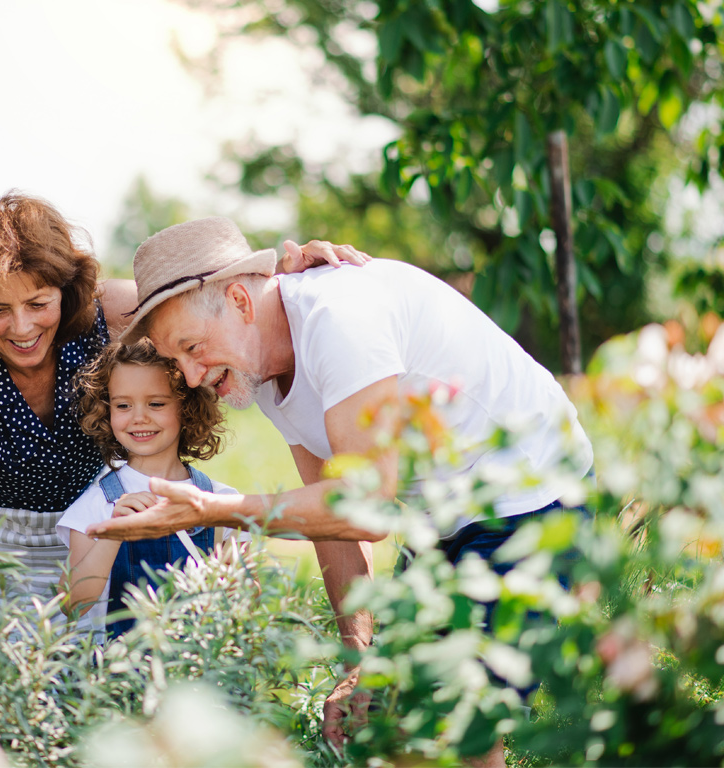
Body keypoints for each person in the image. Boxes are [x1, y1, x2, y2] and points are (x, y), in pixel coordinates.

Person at [86, 216, 595, 765]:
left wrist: (215, 510)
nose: (187, 375)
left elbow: (366, 505)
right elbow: (329, 516)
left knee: (456, 718)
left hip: (534, 492)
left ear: (240, 299)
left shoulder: (339, 321)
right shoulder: (259, 363)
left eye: (191, 347)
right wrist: (359, 662)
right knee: (389, 715)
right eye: (175, 359)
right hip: (446, 513)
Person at [0, 192, 366, 607]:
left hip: (87, 533)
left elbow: (204, 305)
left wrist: (281, 285)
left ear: (65, 291)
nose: (22, 328)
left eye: (38, 304)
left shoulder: (110, 313)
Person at [56, 339, 244, 640]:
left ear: (187, 407)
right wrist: (113, 534)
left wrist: (234, 581)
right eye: (123, 405)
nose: (139, 417)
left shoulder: (220, 502)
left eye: (156, 403)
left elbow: (247, 603)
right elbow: (72, 603)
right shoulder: (97, 504)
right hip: (121, 679)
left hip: (202, 676)